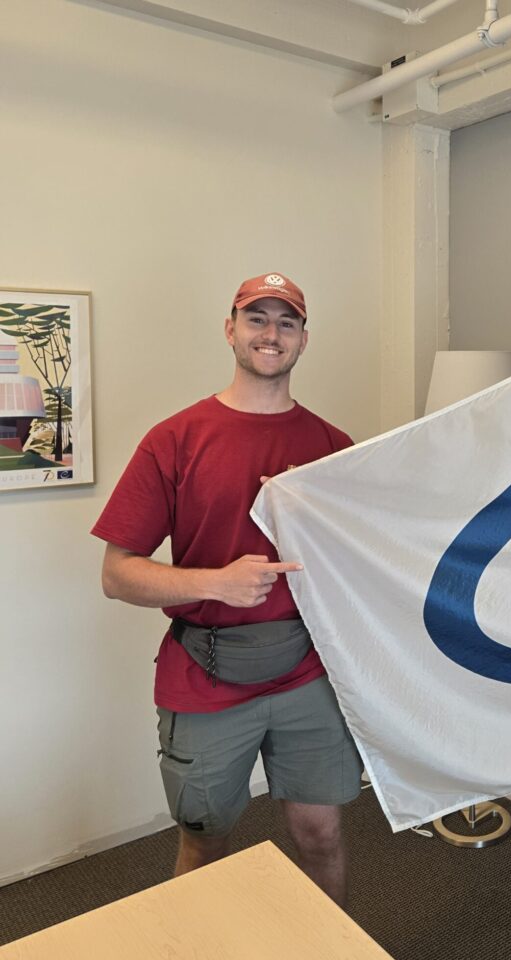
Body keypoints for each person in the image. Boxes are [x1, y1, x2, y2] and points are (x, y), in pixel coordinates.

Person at [91, 273, 361, 905]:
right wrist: (217, 582)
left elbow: (357, 560)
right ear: (230, 328)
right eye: (257, 319)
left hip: (305, 671)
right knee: (204, 840)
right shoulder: (175, 439)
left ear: (303, 338)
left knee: (320, 832)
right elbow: (117, 572)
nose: (271, 334)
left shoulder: (332, 446)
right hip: (206, 673)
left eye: (286, 322)